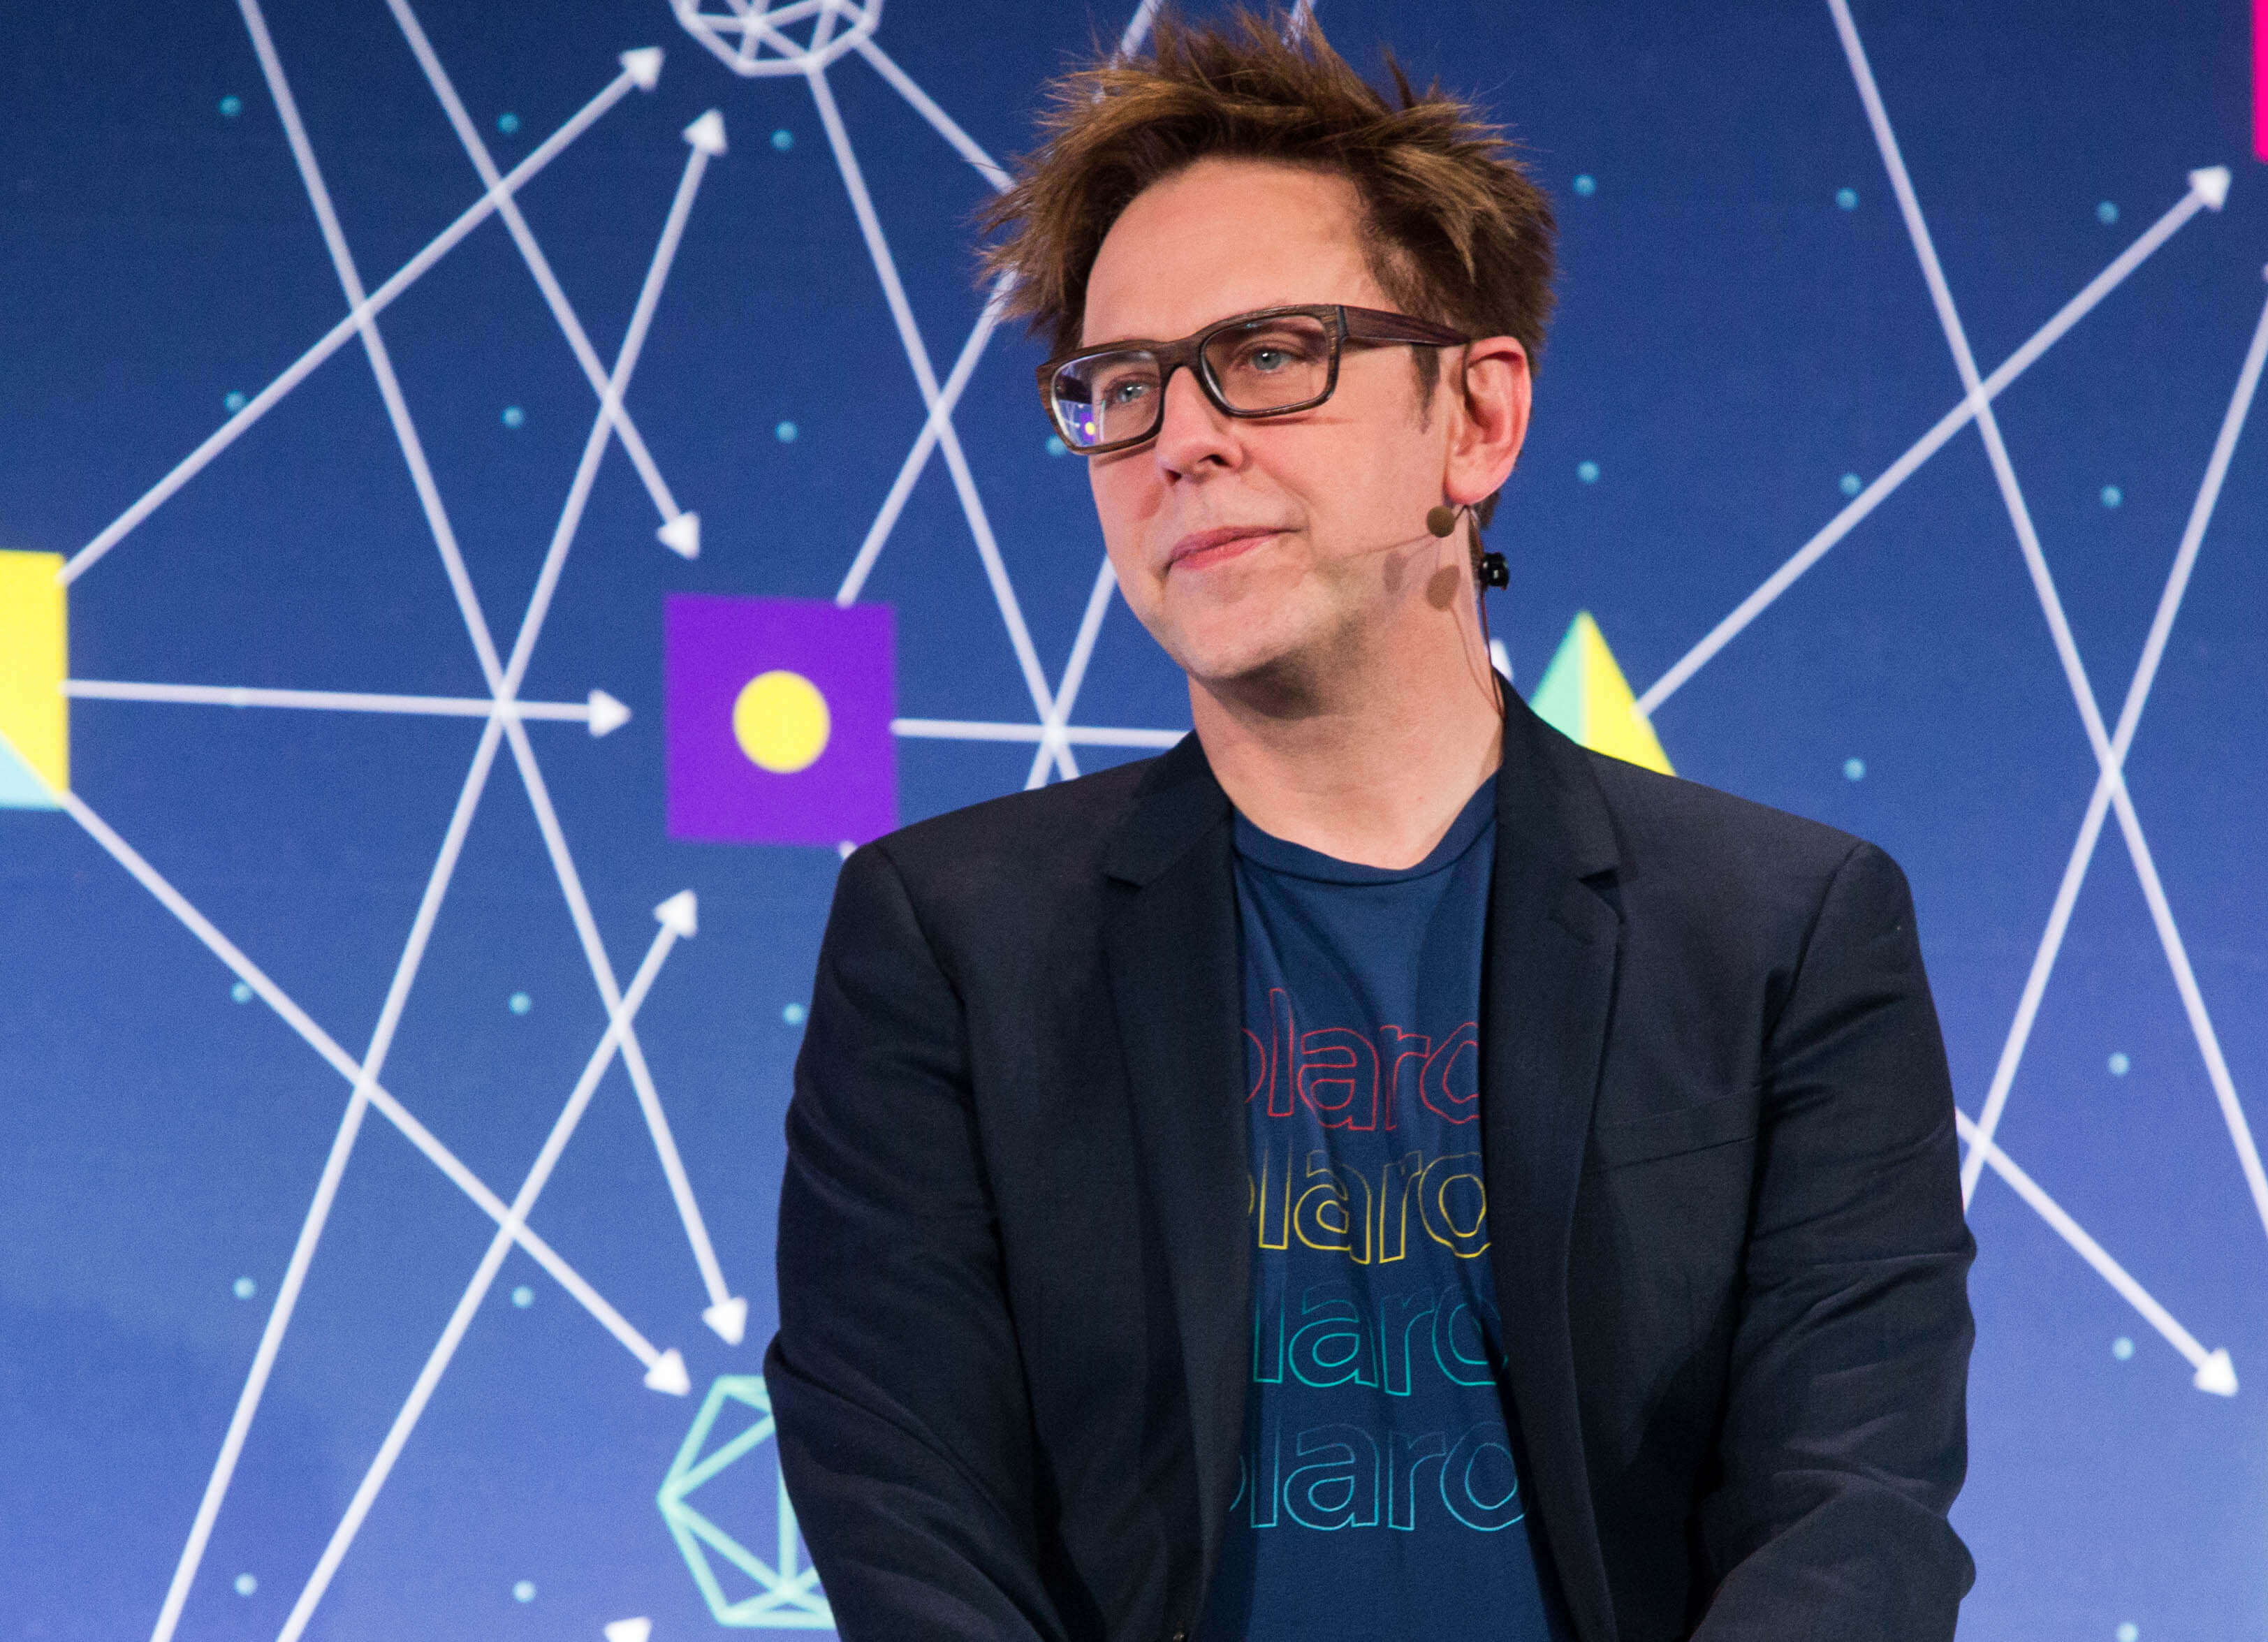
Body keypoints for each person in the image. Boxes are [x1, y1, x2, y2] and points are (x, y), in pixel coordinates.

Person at [766, 13, 1975, 1641]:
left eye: (1268, 355)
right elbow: (906, 1506)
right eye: (1119, 388)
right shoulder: (951, 940)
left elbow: (1854, 1508)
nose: (1180, 439)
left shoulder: (1785, 930)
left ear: (1475, 419)